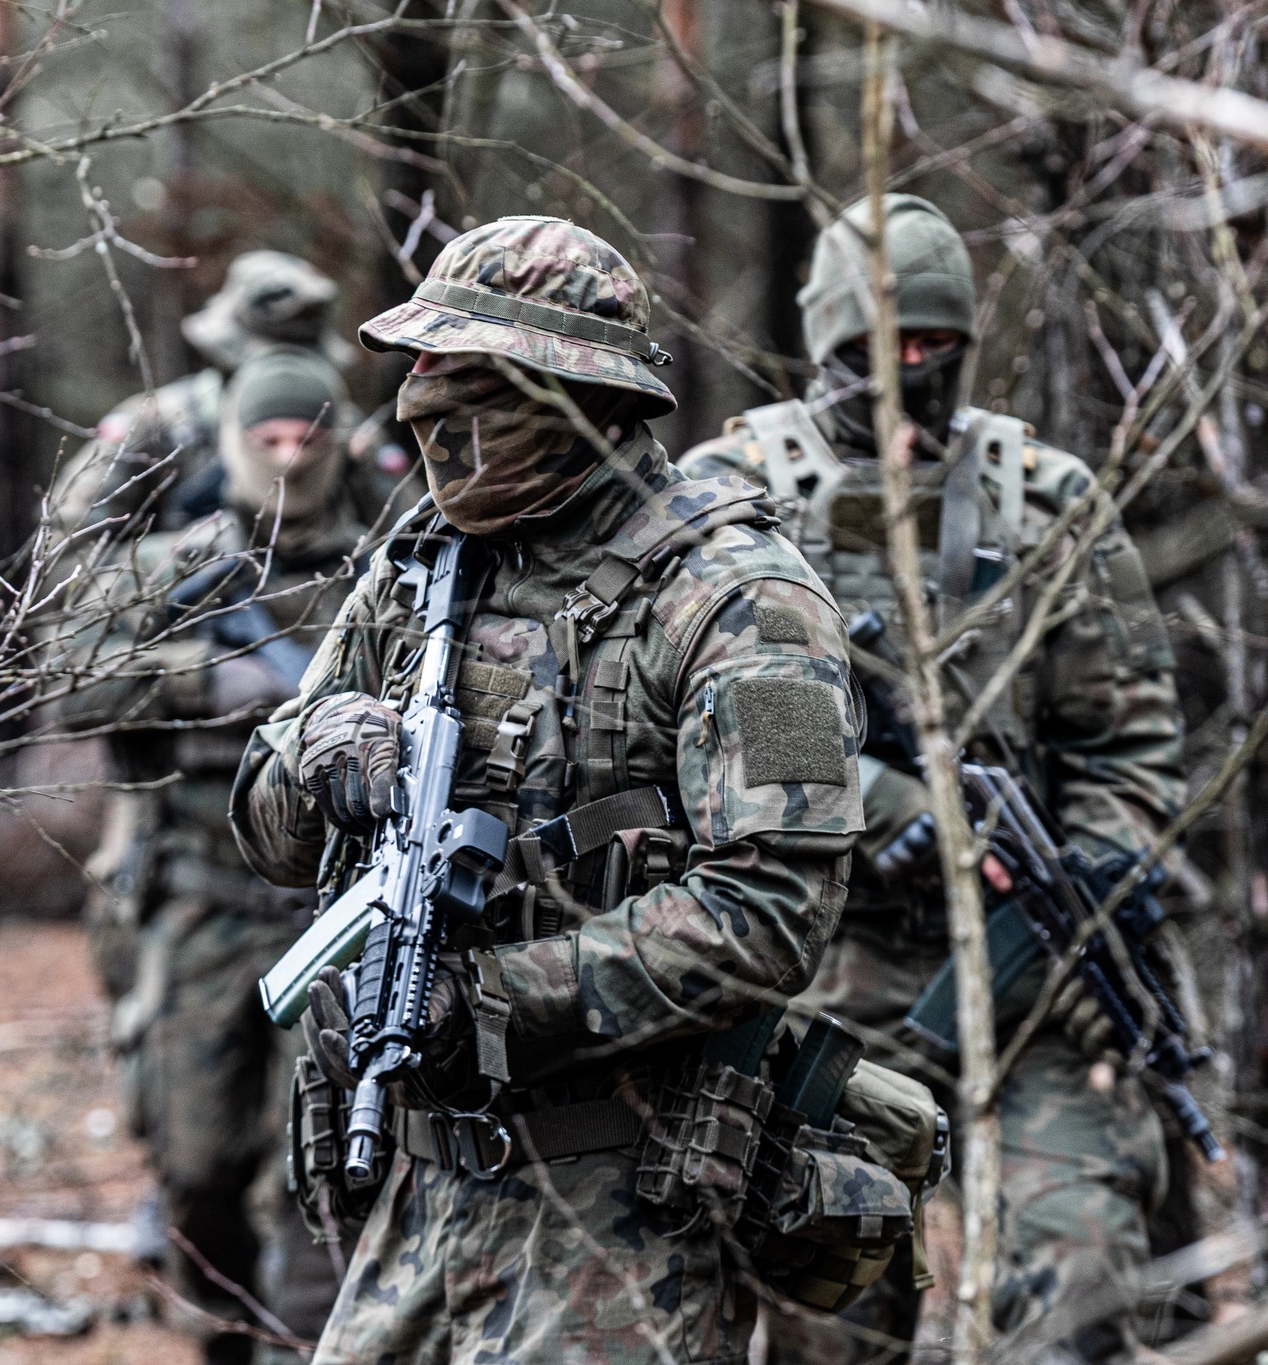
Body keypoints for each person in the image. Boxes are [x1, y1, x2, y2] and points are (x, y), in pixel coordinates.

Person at [229, 215, 869, 1365]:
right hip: (413, 1206)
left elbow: (772, 908)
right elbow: (267, 832)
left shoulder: (742, 598)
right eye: (419, 374)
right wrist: (319, 747)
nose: (424, 409)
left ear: (570, 394)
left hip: (614, 1217)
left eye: (463, 382)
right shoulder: (426, 565)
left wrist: (491, 1003)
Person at [680, 195, 1189, 1364]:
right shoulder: (730, 491)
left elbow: (1130, 734)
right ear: (824, 341)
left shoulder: (1043, 497)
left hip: (1031, 958)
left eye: (931, 346)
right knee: (830, 1304)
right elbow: (695, 703)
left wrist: (1100, 869)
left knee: (1082, 1285)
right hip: (820, 962)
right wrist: (865, 802)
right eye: (875, 348)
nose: (906, 372)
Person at [49, 344, 374, 1363]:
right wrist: (211, 684)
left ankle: (299, 1348)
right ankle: (223, 1336)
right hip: (198, 902)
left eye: (305, 437)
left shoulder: (379, 562)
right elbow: (73, 680)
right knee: (192, 1164)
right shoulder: (186, 558)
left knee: (312, 1173)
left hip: (333, 913)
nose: (287, 456)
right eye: (266, 437)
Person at [51, 248, 419, 539]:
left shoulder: (347, 435)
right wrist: (167, 571)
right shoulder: (159, 425)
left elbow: (414, 539)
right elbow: (67, 548)